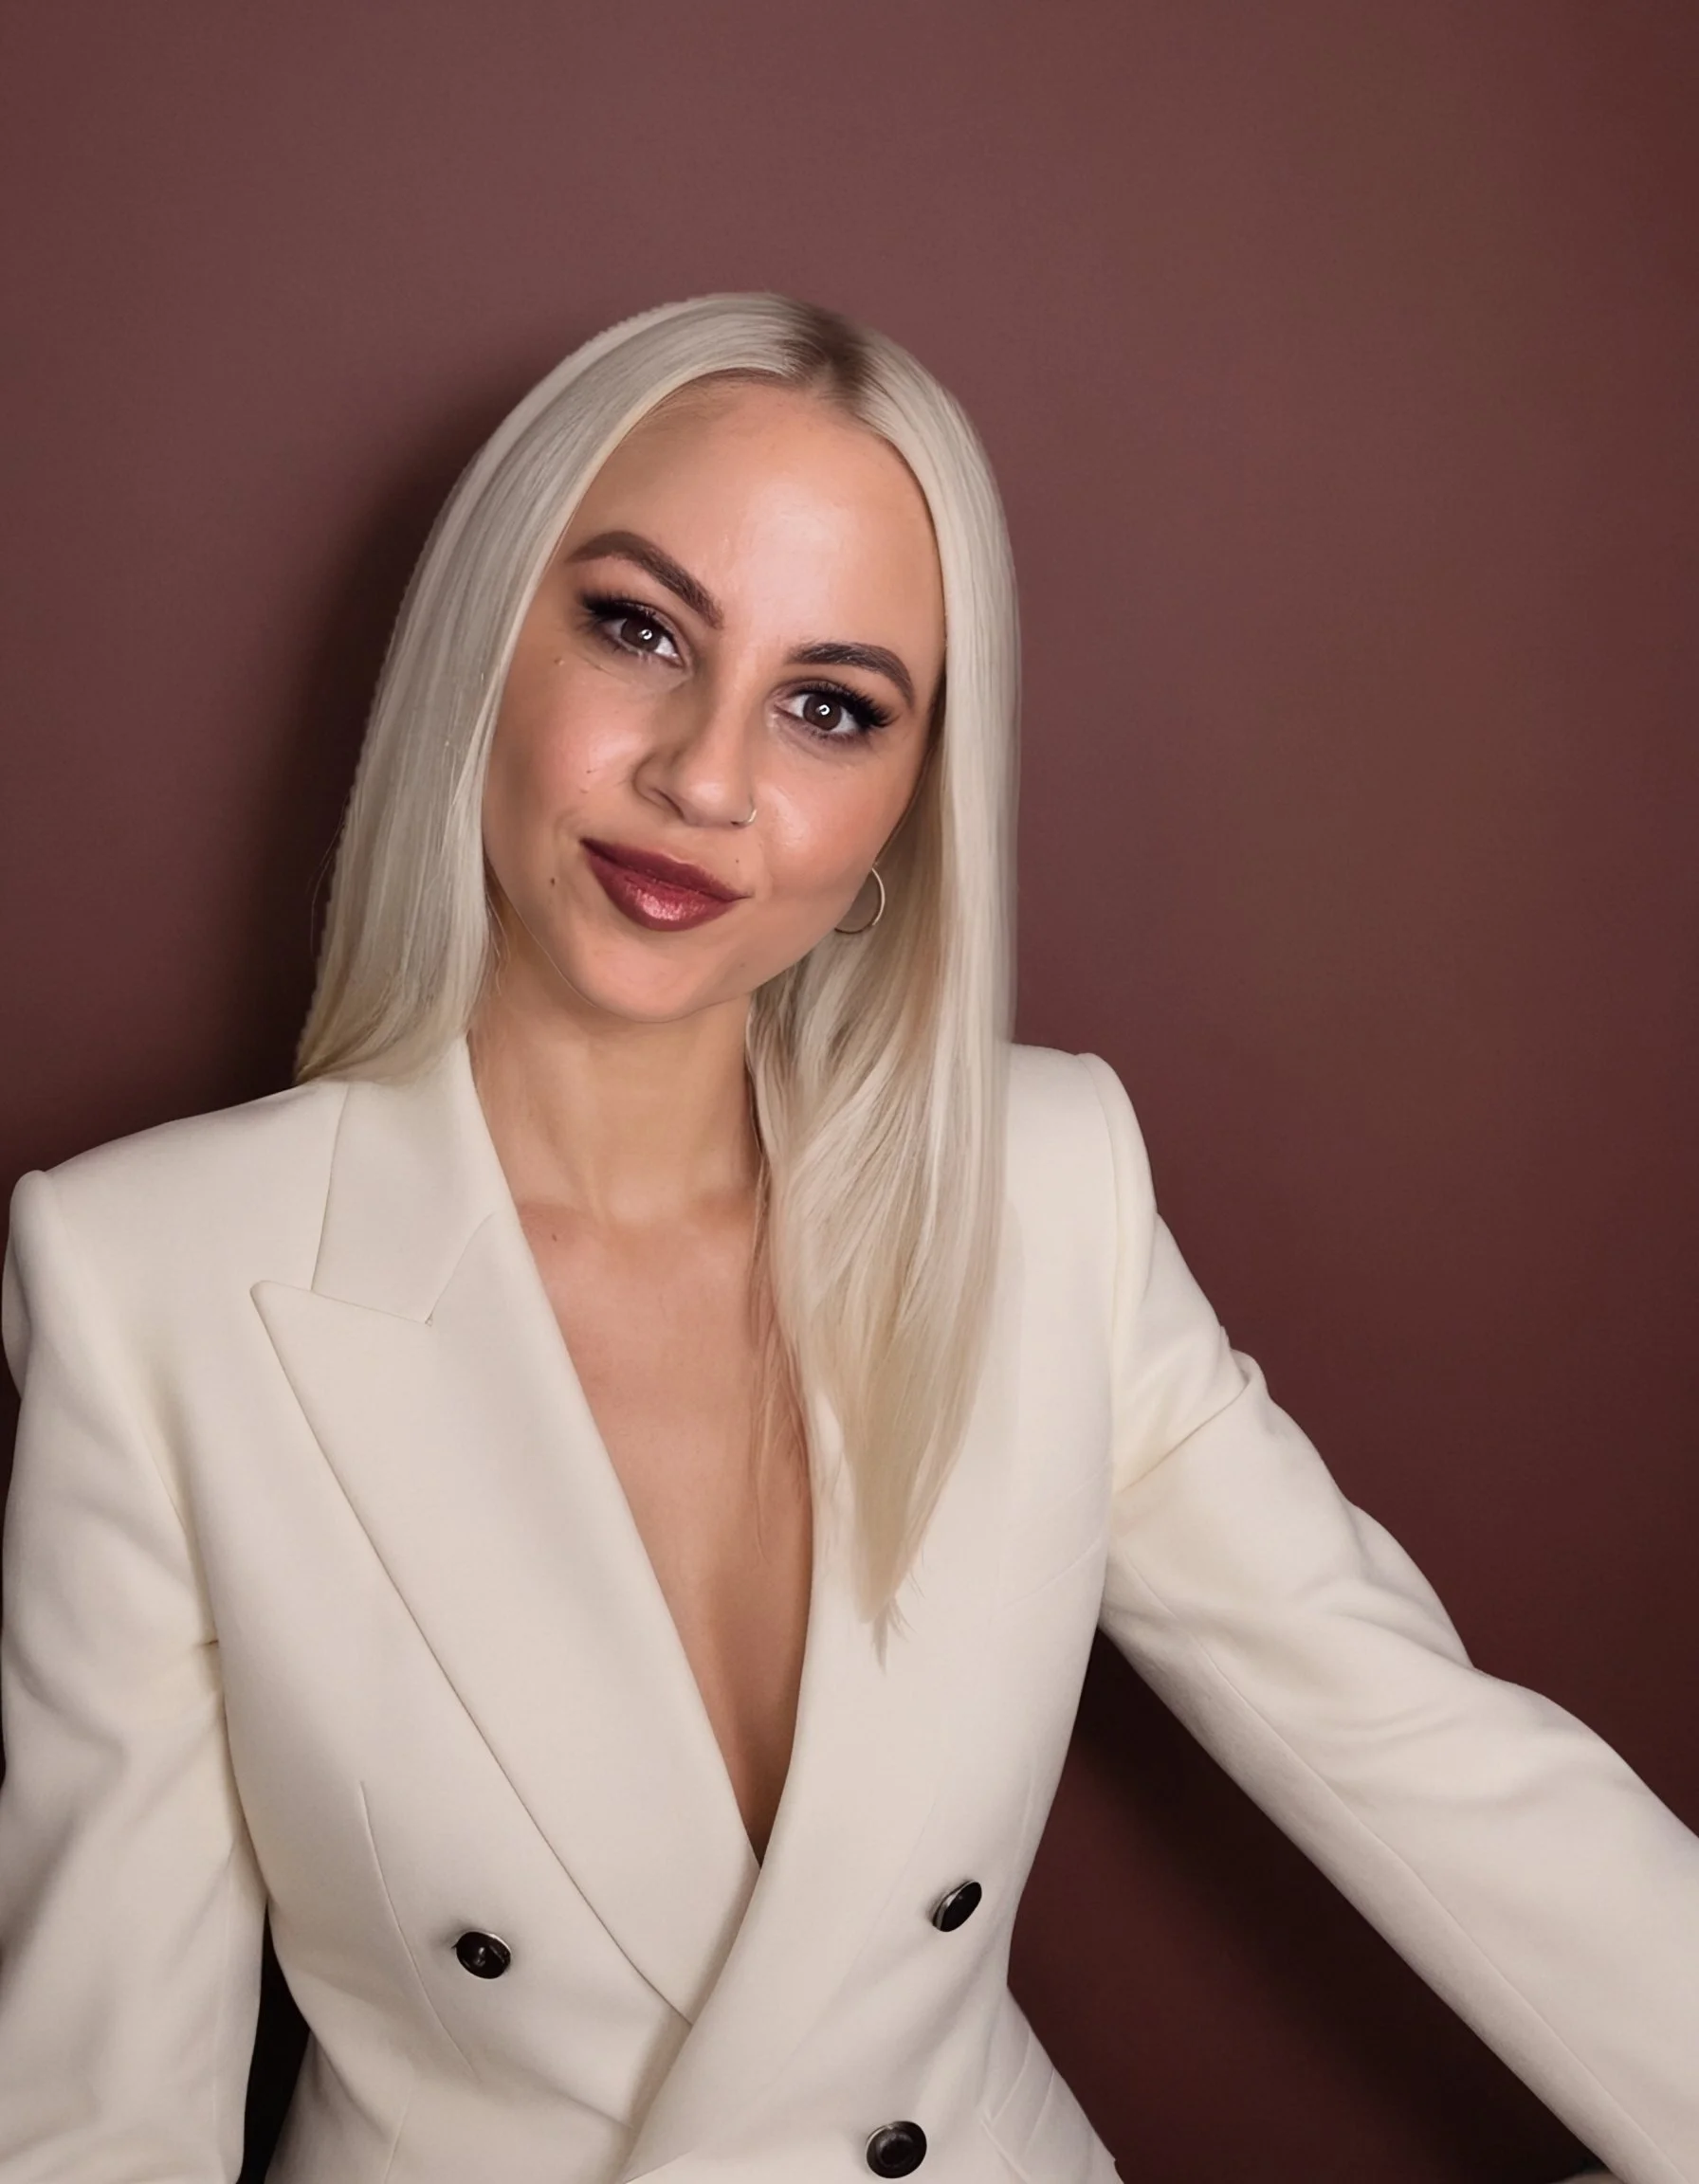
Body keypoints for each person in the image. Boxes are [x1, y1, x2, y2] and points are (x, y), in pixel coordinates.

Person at [0, 292, 1690, 2184]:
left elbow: (1418, 1756)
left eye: (830, 707)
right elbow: (100, 2118)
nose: (706, 780)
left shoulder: (1043, 1193)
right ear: (486, 642)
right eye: (638, 629)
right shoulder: (150, 1281)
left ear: (907, 805)